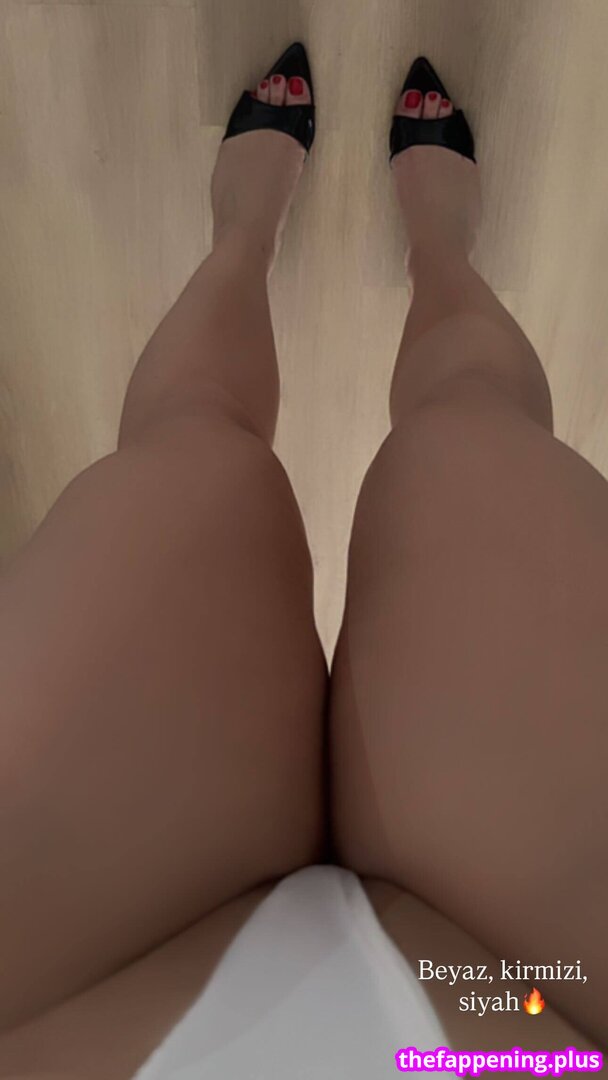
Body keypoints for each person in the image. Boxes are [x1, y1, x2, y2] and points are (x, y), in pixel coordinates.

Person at [0, 43, 605, 1077]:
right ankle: (437, 251)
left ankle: (246, 237)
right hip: (528, 1014)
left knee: (197, 445)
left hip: (69, 1004)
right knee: (467, 430)